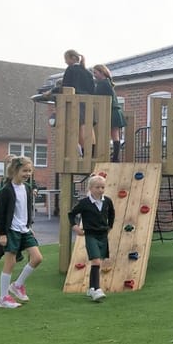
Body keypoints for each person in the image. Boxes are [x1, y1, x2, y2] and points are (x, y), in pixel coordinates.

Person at [0, 156, 43, 308]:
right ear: (15, 170)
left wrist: (29, 226)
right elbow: (0, 215)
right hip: (11, 231)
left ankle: (17, 285)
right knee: (10, 263)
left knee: (37, 258)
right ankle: (3, 298)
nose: (28, 174)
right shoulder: (6, 191)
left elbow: (27, 210)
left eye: (30, 171)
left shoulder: (27, 188)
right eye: (24, 171)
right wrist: (2, 234)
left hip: (25, 229)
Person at [68, 174, 115, 302]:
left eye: (102, 187)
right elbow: (71, 214)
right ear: (90, 188)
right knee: (96, 261)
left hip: (103, 235)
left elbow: (112, 213)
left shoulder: (107, 201)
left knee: (98, 261)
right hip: (90, 235)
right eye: (97, 187)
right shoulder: (84, 203)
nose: (100, 190)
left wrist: (110, 226)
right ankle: (97, 289)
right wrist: (75, 227)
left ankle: (91, 289)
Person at [58, 49, 95, 154]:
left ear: (73, 58)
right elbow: (92, 89)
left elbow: (65, 86)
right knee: (89, 126)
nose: (65, 62)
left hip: (77, 102)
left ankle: (84, 152)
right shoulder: (88, 72)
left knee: (80, 127)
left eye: (66, 59)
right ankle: (92, 152)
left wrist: (54, 91)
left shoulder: (70, 70)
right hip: (88, 102)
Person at [93, 64, 126, 162]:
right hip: (115, 111)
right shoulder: (108, 83)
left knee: (107, 134)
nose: (94, 75)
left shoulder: (102, 84)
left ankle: (108, 156)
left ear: (102, 72)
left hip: (110, 111)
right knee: (115, 135)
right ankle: (115, 158)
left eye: (95, 72)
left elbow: (95, 96)